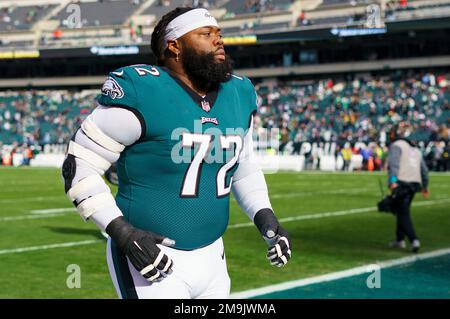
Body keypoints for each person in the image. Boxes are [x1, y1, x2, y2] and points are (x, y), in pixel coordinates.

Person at [61, 7, 291, 299]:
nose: (219, 40)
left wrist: (265, 216)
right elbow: (78, 166)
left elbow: (241, 166)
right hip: (152, 259)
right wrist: (123, 233)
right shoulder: (144, 89)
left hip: (213, 257)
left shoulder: (238, 92)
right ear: (174, 46)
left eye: (219, 34)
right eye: (206, 34)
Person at [387, 123, 429, 253]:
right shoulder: (415, 149)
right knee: (402, 210)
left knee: (403, 213)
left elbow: (394, 165)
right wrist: (425, 186)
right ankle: (400, 240)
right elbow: (424, 171)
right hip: (414, 184)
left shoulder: (396, 146)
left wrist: (392, 181)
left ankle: (414, 240)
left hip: (402, 183)